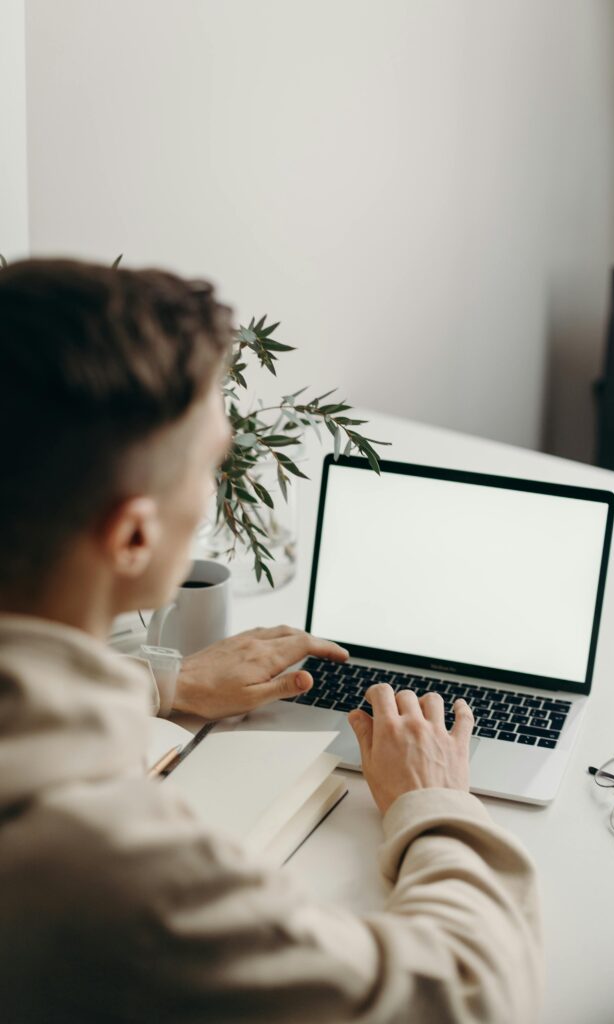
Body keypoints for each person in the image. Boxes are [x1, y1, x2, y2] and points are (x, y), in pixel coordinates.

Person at [0, 259, 543, 1023]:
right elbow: (469, 992)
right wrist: (435, 802)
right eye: (210, 467)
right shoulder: (118, 877)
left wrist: (168, 683)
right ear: (132, 534)